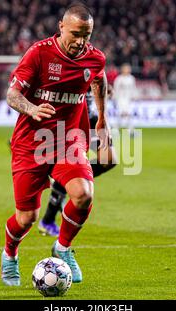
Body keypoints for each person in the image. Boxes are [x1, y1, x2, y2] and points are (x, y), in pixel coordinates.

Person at [1, 3, 110, 286]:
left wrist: (102, 120)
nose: (80, 41)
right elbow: (12, 94)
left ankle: (62, 248)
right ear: (61, 26)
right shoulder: (39, 53)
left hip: (69, 139)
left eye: (86, 35)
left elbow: (99, 80)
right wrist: (31, 109)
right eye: (75, 33)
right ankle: (9, 254)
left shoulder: (95, 58)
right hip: (31, 142)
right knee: (26, 218)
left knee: (84, 193)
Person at [38, 85, 117, 237]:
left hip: (92, 116)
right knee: (72, 164)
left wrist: (103, 88)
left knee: (109, 159)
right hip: (72, 118)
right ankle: (47, 221)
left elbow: (97, 77)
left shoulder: (93, 61)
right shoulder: (67, 63)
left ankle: (63, 185)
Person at [113, 63, 136, 133]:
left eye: (128, 68)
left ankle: (130, 130)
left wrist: (134, 96)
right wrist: (115, 98)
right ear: (123, 69)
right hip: (120, 99)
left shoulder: (131, 78)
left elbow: (133, 88)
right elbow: (116, 88)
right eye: (126, 68)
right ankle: (115, 129)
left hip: (128, 99)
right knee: (121, 114)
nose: (127, 70)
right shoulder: (119, 79)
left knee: (128, 114)